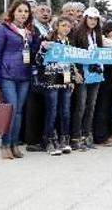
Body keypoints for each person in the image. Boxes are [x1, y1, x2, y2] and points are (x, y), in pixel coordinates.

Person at [0, 0, 41, 159]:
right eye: (20, 11)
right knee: (10, 110)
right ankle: (5, 144)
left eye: (26, 11)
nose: (23, 14)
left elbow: (30, 52)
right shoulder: (2, 29)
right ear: (13, 12)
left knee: (18, 112)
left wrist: (41, 44)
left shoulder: (28, 31)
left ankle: (14, 144)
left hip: (24, 76)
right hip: (7, 75)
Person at [35, 16, 76, 156]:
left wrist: (71, 79)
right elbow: (38, 60)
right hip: (51, 81)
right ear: (57, 26)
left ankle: (64, 139)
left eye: (68, 26)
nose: (66, 28)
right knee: (52, 112)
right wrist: (44, 49)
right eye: (63, 25)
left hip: (65, 82)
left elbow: (70, 63)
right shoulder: (48, 41)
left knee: (65, 112)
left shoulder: (69, 43)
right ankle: (49, 140)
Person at [70, 7, 104, 151]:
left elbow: (102, 51)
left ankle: (86, 135)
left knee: (91, 106)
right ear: (85, 18)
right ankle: (75, 137)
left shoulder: (97, 34)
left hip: (96, 73)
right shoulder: (78, 33)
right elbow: (72, 53)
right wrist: (75, 71)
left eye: (95, 19)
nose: (93, 21)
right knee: (81, 106)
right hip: (83, 73)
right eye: (90, 18)